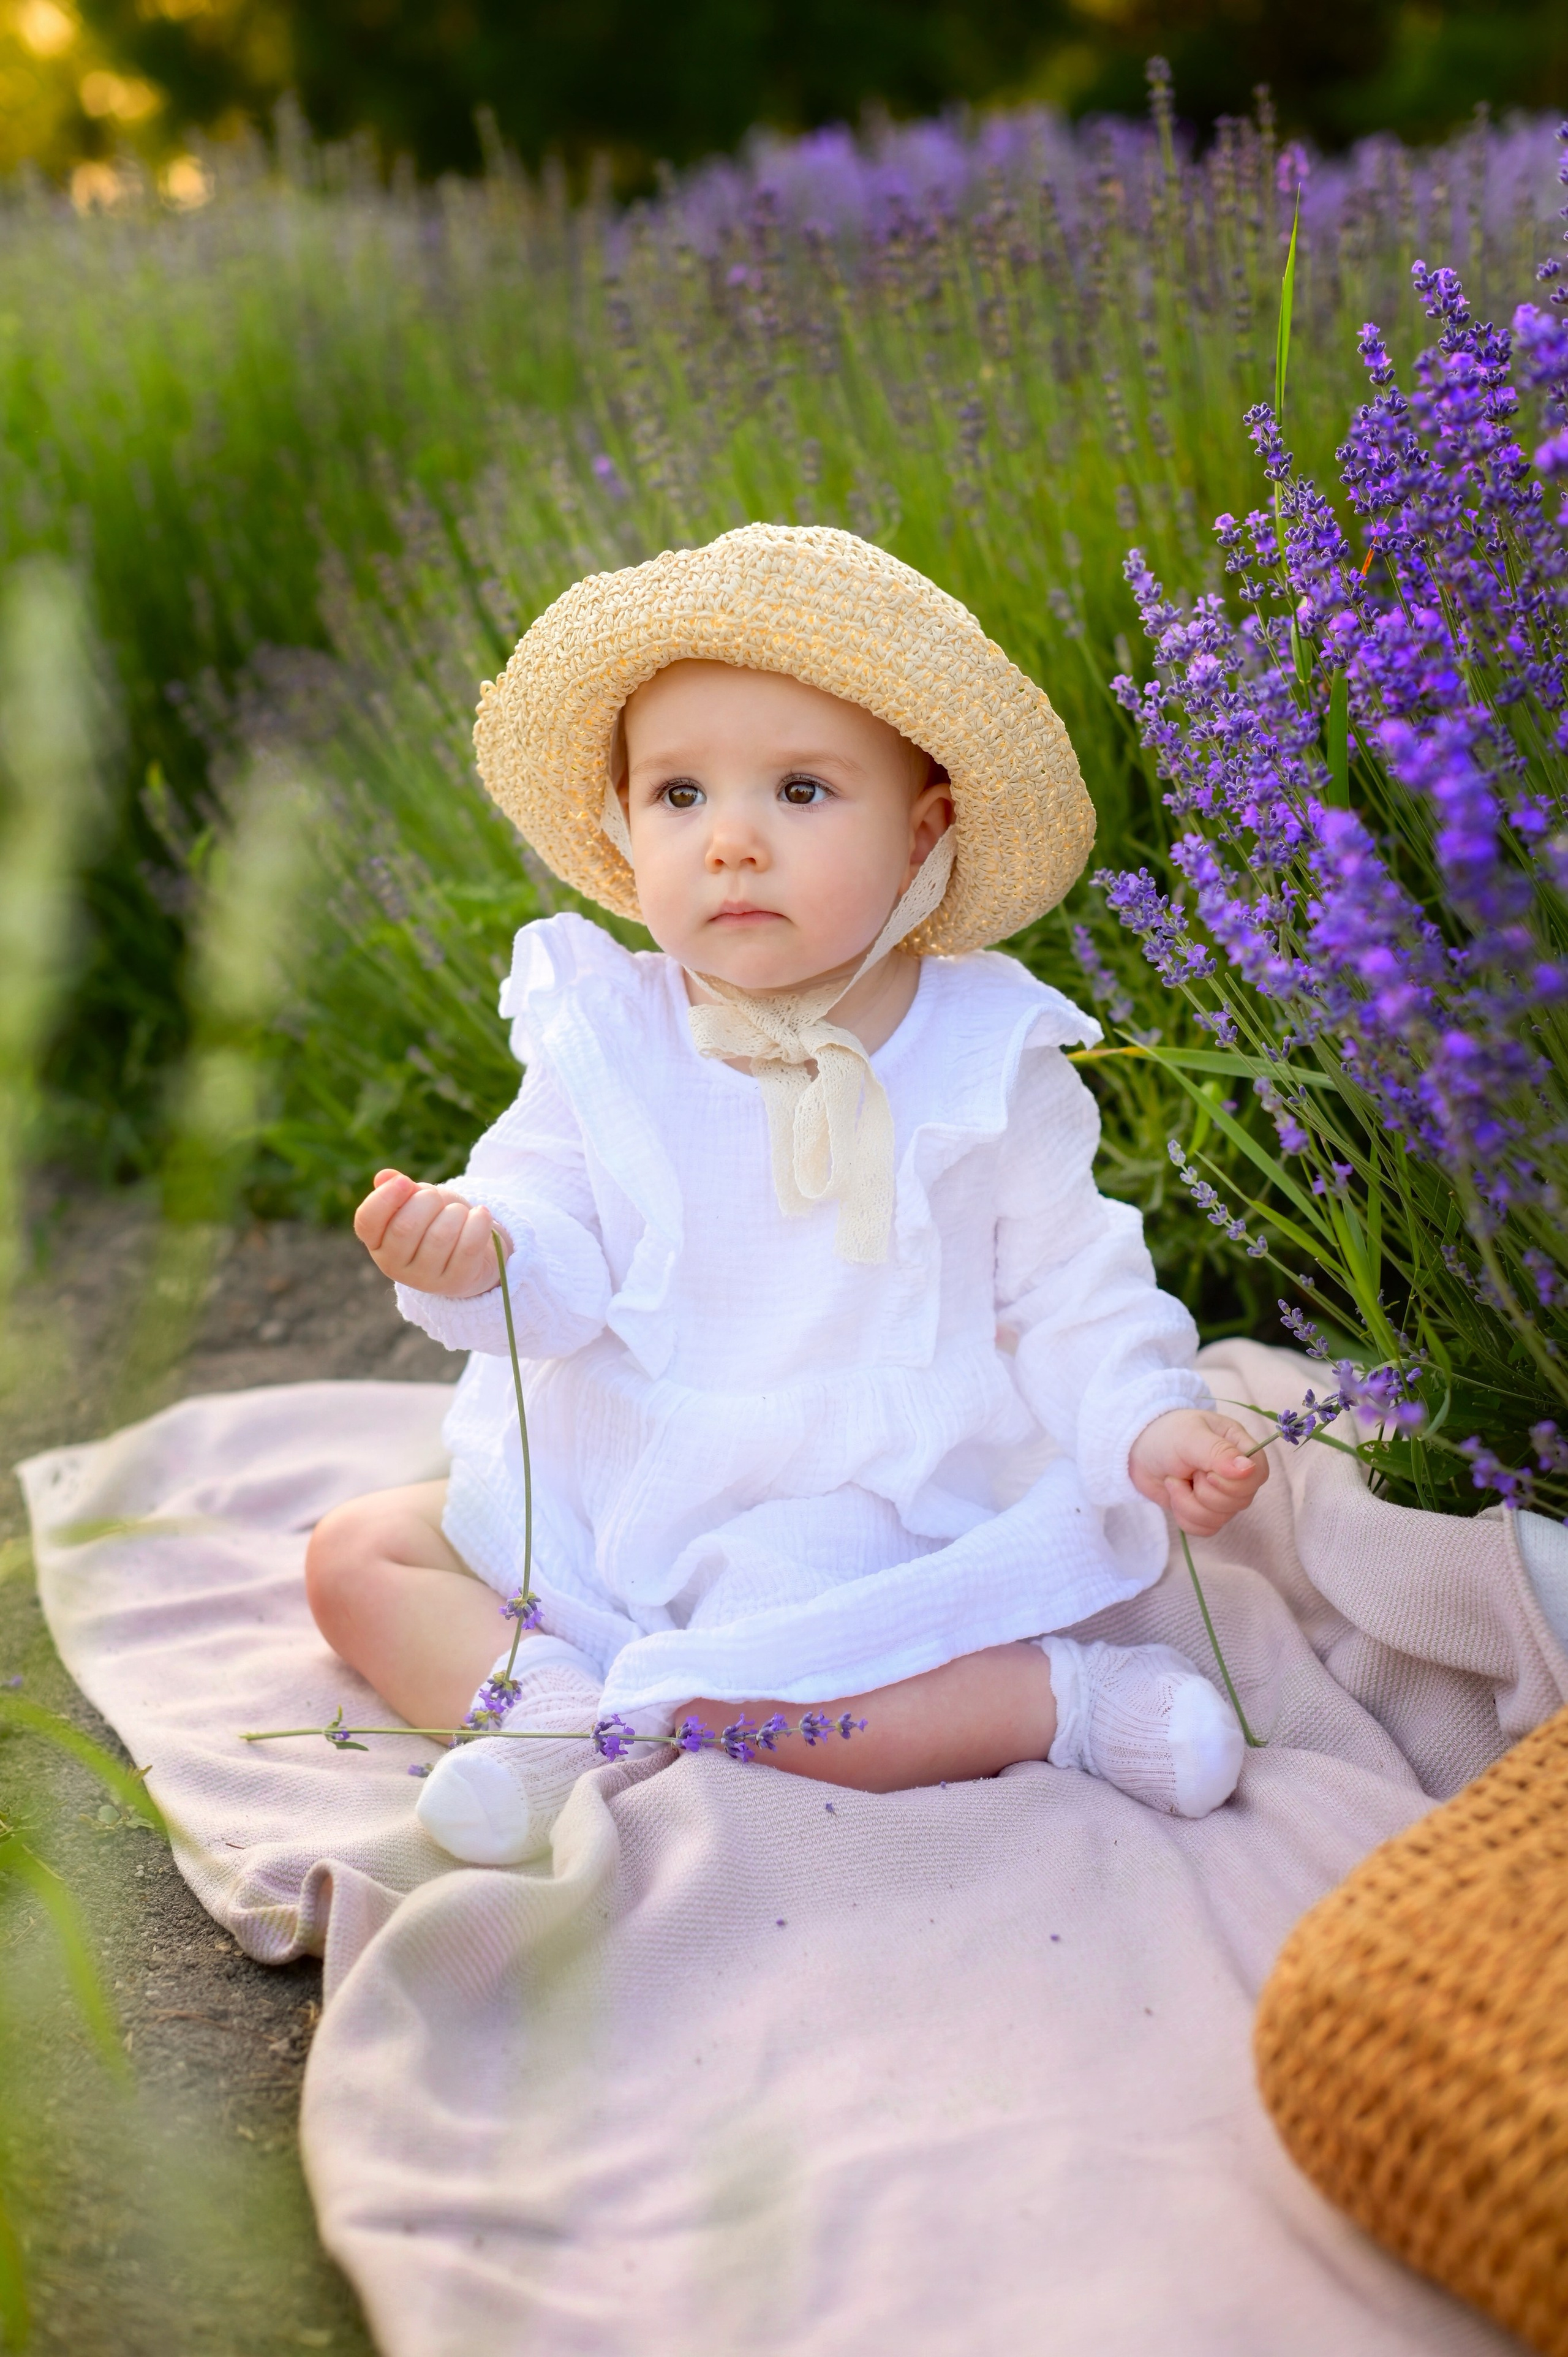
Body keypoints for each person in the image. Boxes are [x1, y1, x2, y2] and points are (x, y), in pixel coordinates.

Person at [304, 524, 1267, 1866]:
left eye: (801, 792)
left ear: (924, 832)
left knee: (746, 1692)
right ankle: (545, 1712)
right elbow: (548, 1222)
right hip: (625, 1462)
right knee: (353, 1557)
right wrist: (477, 1250)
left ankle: (1054, 1701)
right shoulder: (609, 1026)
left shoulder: (981, 1056)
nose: (732, 844)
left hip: (849, 1494)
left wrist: (1143, 1417)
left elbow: (1065, 1284)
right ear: (619, 822)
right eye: (680, 795)